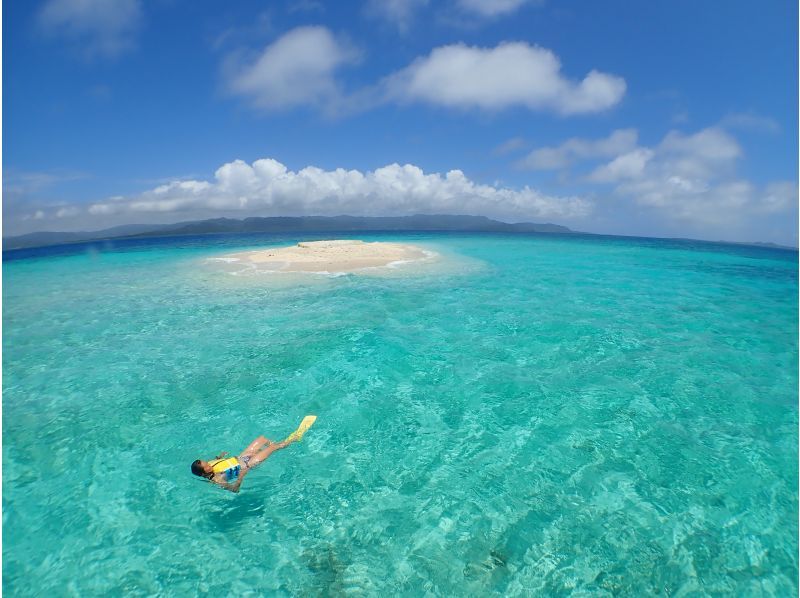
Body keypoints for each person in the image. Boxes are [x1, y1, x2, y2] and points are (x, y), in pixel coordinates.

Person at [191, 415, 316, 493]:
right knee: (273, 447)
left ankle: (280, 443)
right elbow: (235, 490)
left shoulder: (210, 465)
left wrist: (220, 457)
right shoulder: (217, 480)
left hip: (241, 457)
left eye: (206, 462)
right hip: (248, 465)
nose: (209, 464)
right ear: (204, 473)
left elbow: (216, 461)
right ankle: (294, 438)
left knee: (262, 439)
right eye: (206, 465)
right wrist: (241, 477)